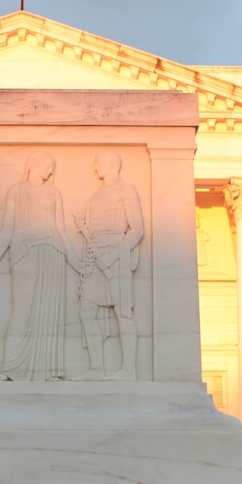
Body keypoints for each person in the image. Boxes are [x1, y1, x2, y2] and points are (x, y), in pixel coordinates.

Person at [0, 151, 80, 381]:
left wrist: (77, 263)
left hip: (52, 254)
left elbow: (60, 230)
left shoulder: (53, 193)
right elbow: (7, 228)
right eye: (49, 165)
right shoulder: (16, 191)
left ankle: (50, 371)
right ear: (35, 165)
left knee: (50, 315)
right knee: (22, 312)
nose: (51, 171)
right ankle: (10, 369)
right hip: (25, 254)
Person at [74, 150, 144, 381]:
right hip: (95, 257)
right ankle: (97, 368)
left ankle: (129, 370)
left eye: (98, 163)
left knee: (123, 313)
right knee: (86, 309)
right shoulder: (97, 195)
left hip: (117, 256)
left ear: (111, 164)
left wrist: (113, 256)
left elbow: (137, 229)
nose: (95, 168)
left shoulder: (126, 189)